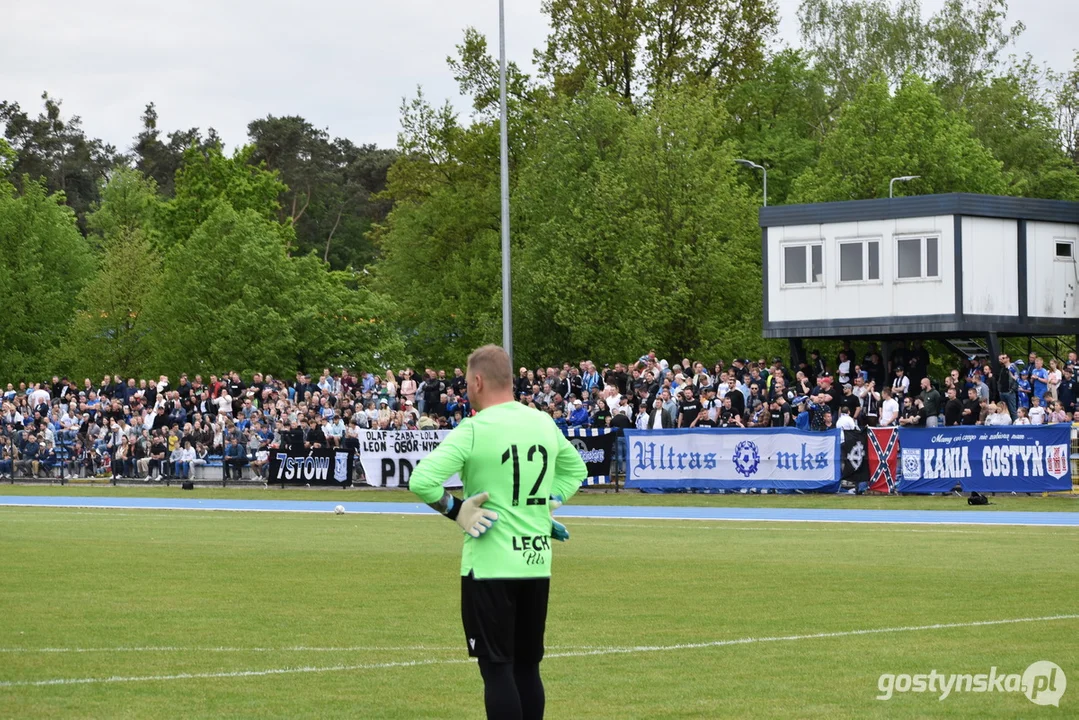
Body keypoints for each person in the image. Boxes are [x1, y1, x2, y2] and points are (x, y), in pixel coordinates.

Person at [408, 345, 587, 720]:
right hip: (536, 562)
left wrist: (457, 510)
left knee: (497, 671)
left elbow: (422, 480)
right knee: (527, 668)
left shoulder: (474, 427)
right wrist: (544, 506)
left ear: (476, 381)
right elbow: (576, 472)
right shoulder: (542, 422)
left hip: (489, 566)